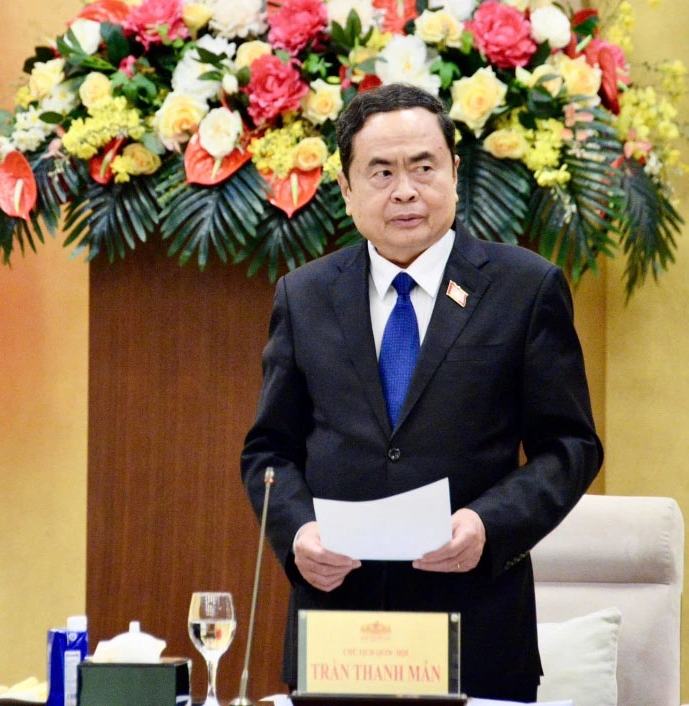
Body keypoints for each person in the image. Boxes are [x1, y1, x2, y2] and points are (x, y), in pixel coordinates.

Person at [240, 83, 602, 701]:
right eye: (381, 172)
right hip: (339, 631)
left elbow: (571, 447)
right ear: (346, 188)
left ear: (455, 173)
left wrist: (488, 524)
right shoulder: (304, 295)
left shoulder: (525, 287)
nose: (405, 190)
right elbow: (268, 452)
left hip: (476, 627)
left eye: (424, 167)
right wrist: (298, 534)